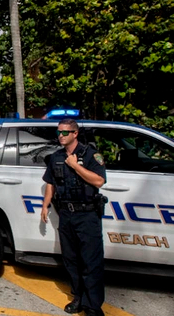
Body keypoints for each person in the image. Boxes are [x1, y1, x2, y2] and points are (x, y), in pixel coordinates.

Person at [41, 118, 107, 316]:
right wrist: (45, 204)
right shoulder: (56, 157)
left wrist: (75, 166)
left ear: (75, 133)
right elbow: (50, 182)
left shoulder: (90, 155)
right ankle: (78, 297)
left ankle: (93, 306)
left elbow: (99, 181)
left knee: (91, 261)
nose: (61, 136)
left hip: (87, 215)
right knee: (71, 260)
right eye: (59, 132)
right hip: (66, 214)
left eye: (65, 132)